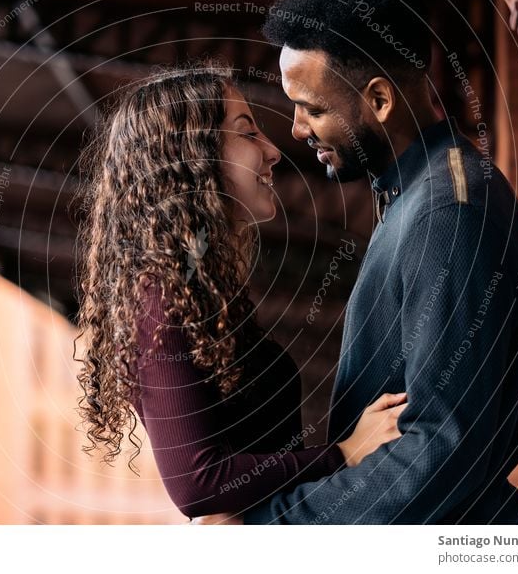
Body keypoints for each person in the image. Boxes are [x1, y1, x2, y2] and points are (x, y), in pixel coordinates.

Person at [195, 0, 518, 525]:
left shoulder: (445, 214)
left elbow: (441, 449)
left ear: (379, 100)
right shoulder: (415, 200)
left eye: (312, 108)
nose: (296, 129)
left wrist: (269, 530)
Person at [74, 64, 407, 519]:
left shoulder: (204, 291)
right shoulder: (158, 301)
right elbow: (197, 483)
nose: (273, 151)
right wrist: (345, 452)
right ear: (192, 156)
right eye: (247, 133)